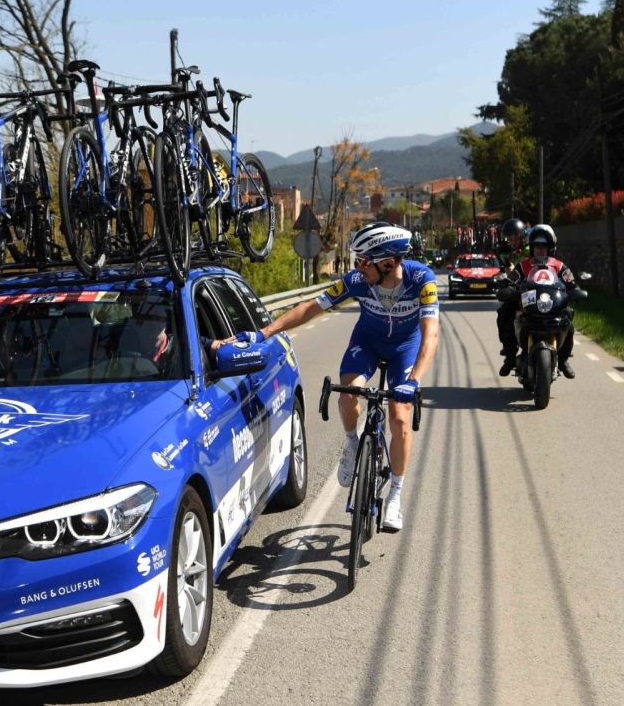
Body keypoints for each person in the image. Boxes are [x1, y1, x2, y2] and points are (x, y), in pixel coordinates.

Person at [214, 221, 439, 532]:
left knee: (400, 416)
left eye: (364, 261)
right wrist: (263, 333)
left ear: (388, 263)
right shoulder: (358, 281)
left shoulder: (421, 280)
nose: (358, 268)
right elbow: (311, 308)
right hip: (368, 343)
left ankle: (396, 495)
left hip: (405, 347)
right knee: (349, 394)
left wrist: (413, 380)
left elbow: (430, 335)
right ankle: (351, 443)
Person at [514, 223, 577, 379]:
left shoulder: (559, 266)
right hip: (529, 307)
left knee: (568, 320)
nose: (540, 249)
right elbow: (511, 280)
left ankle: (563, 361)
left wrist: (576, 290)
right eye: (537, 246)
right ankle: (509, 357)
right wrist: (507, 287)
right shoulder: (523, 266)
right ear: (532, 247)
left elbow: (572, 282)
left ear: (550, 248)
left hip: (553, 306)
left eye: (544, 246)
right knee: (507, 315)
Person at [495, 218, 529, 376]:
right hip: (517, 292)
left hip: (537, 289)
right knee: (504, 315)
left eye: (516, 239)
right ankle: (509, 357)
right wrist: (506, 265)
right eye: (510, 239)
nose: (513, 242)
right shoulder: (504, 253)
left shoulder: (532, 249)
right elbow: (507, 273)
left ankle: (562, 358)